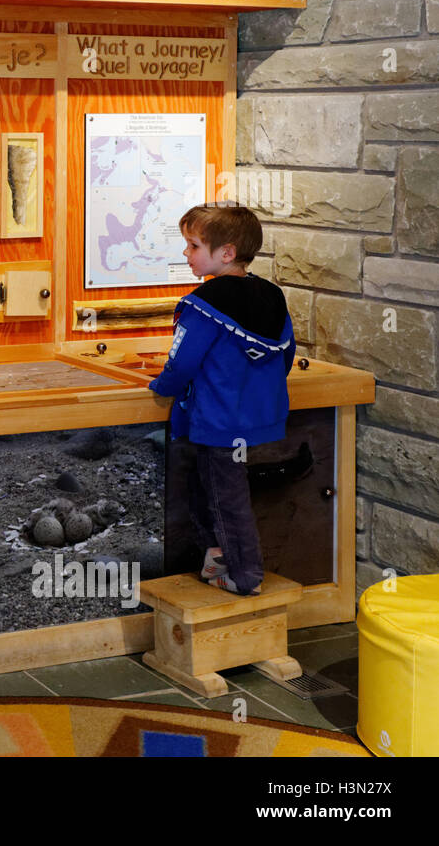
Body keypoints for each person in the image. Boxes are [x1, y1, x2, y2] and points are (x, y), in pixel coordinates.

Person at [149, 202, 294, 596]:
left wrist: (160, 387)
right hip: (256, 419)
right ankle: (218, 557)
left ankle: (246, 576)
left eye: (193, 245)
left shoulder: (203, 304)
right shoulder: (272, 297)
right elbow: (284, 357)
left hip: (217, 423)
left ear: (226, 252)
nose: (186, 253)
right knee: (211, 490)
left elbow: (182, 364)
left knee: (225, 498)